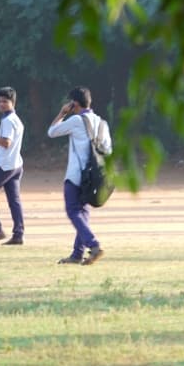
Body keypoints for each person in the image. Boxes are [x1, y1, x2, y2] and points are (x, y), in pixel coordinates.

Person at [47, 86, 111, 265]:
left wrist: (62, 113)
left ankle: (94, 244)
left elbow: (52, 132)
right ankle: (77, 254)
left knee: (73, 210)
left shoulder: (76, 120)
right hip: (95, 177)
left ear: (74, 103)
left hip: (76, 175)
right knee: (82, 212)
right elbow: (108, 150)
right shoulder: (102, 123)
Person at [0, 87, 26, 245]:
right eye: (0, 101)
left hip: (4, 165)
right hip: (16, 164)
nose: (1, 104)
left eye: (5, 101)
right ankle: (18, 234)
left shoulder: (8, 121)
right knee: (14, 201)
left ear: (12, 102)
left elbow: (6, 143)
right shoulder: (15, 119)